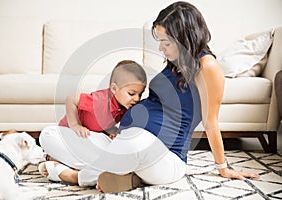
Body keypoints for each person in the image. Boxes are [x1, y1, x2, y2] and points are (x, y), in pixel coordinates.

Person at [39, 1, 259, 192]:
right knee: (50, 135)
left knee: (135, 144)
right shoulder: (174, 62)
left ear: (185, 38)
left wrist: (223, 168)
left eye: (167, 42)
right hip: (125, 142)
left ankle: (76, 176)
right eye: (160, 41)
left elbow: (211, 122)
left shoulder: (207, 66)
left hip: (164, 156)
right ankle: (125, 174)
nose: (161, 48)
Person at [38, 60, 147, 182]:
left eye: (140, 94)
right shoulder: (99, 100)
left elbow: (101, 122)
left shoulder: (124, 107)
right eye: (132, 93)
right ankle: (85, 169)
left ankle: (77, 168)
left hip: (89, 137)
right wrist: (75, 125)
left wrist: (113, 132)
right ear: (114, 89)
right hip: (70, 134)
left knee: (115, 151)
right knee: (47, 134)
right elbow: (71, 100)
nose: (137, 99)